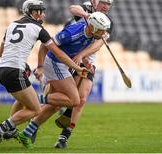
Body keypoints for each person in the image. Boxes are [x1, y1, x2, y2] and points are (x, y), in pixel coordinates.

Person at [0, 0, 87, 150]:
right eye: (39, 11)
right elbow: (58, 53)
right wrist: (76, 67)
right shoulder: (38, 29)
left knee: (24, 102)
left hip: (1, 70)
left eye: (42, 11)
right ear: (32, 13)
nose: (43, 15)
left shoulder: (11, 25)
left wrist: (24, 63)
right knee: (35, 109)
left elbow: (2, 52)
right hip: (15, 71)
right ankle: (1, 128)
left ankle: (11, 129)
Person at [17, 11, 111, 148]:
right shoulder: (71, 33)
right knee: (74, 100)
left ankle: (26, 133)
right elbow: (45, 45)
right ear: (93, 27)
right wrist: (40, 66)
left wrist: (83, 58)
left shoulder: (94, 33)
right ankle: (34, 99)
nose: (104, 33)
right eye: (102, 30)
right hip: (55, 63)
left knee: (56, 104)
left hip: (64, 65)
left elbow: (94, 44)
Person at [54, 0, 114, 148]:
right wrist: (87, 15)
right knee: (60, 98)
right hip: (69, 55)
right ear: (95, 2)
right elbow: (72, 8)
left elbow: (98, 44)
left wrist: (83, 57)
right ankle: (33, 121)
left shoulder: (108, 22)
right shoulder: (85, 9)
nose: (106, 7)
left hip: (86, 60)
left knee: (81, 99)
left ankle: (64, 137)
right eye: (104, 3)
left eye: (109, 4)